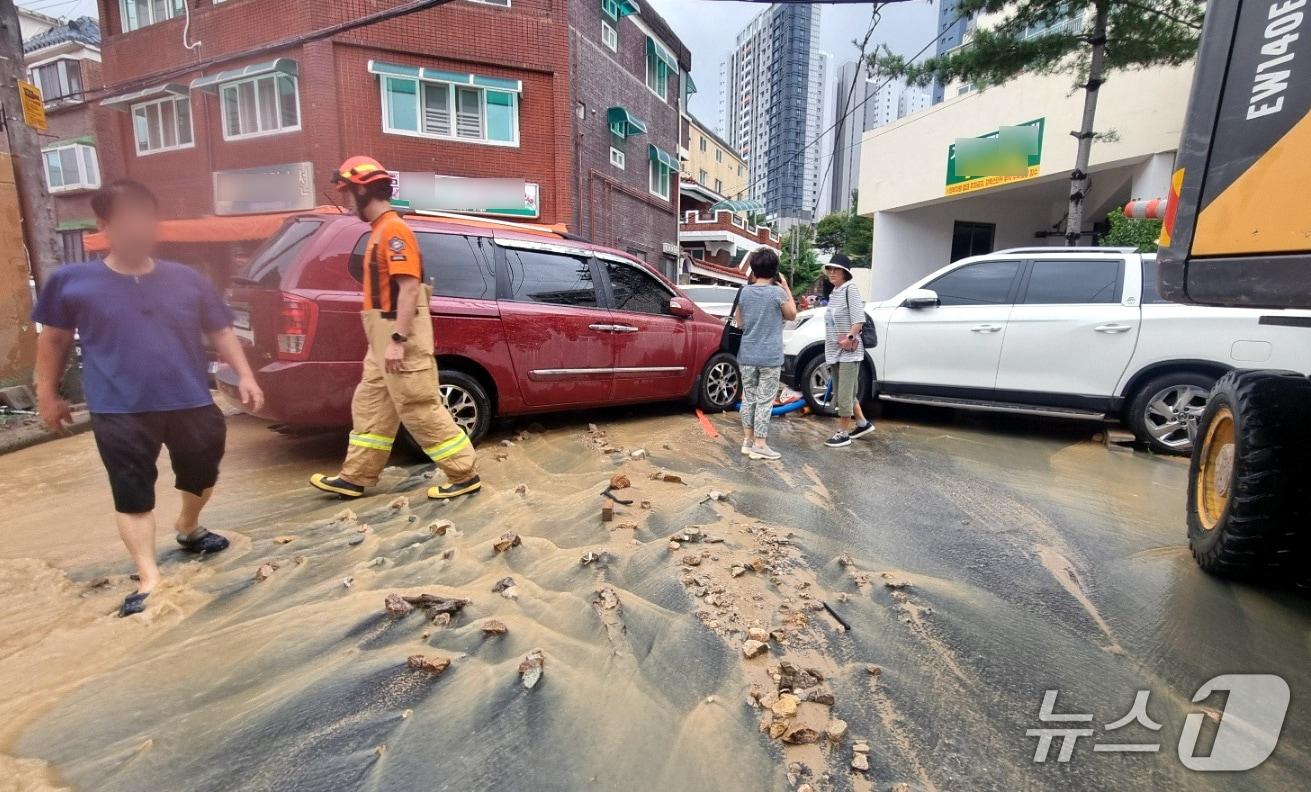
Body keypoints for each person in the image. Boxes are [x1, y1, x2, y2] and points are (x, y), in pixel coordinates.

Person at [32, 180, 265, 617]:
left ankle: (189, 527)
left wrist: (246, 375)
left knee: (203, 471)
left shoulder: (186, 279)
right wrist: (47, 394)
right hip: (117, 407)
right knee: (132, 491)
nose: (140, 227)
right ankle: (149, 578)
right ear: (104, 225)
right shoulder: (71, 282)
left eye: (146, 216)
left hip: (190, 398)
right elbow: (54, 340)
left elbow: (220, 330)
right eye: (128, 218)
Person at [310, 156, 481, 501]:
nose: (345, 201)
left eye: (346, 193)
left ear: (361, 190)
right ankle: (356, 476)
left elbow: (408, 287)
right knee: (371, 403)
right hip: (383, 335)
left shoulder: (394, 231)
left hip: (397, 333)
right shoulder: (380, 231)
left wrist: (398, 340)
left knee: (419, 405)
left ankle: (464, 474)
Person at [734, 249, 797, 460]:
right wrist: (786, 287)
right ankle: (760, 445)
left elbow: (740, 323)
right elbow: (792, 314)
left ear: (754, 268)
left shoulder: (744, 292)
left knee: (749, 398)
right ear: (774, 270)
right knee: (765, 400)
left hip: (747, 355)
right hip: (769, 357)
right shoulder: (777, 293)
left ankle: (747, 441)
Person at [821, 254, 875, 448]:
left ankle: (843, 433)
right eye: (830, 269)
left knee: (844, 393)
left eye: (836, 269)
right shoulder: (835, 292)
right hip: (834, 350)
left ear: (845, 273)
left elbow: (858, 319)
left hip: (849, 351)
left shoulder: (849, 289)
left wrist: (849, 338)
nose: (832, 272)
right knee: (845, 391)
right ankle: (862, 424)